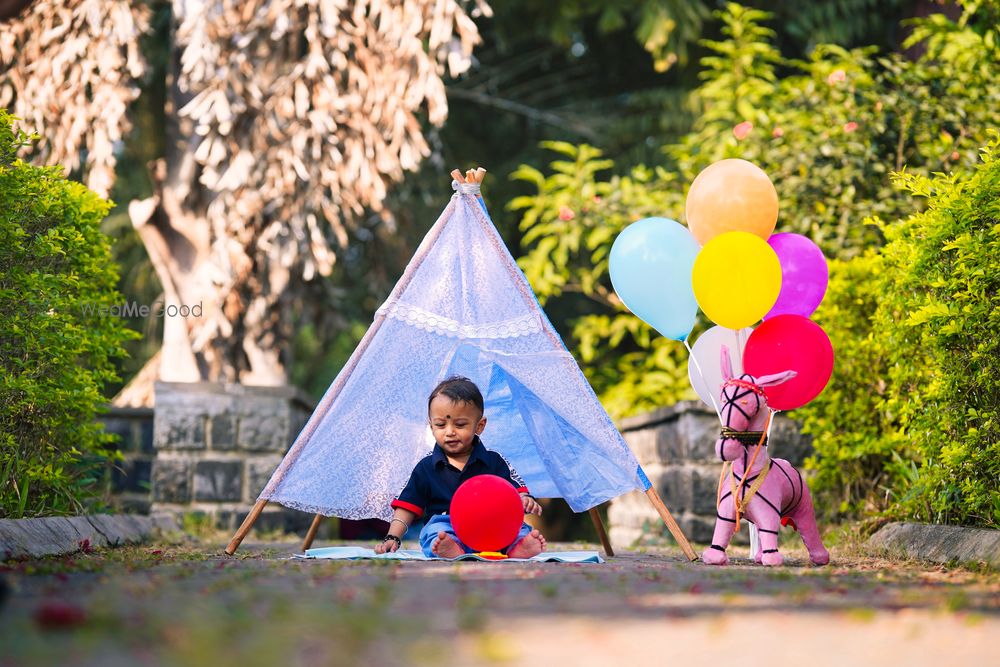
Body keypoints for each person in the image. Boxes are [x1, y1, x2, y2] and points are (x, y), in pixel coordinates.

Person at [375, 376, 547, 558]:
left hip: (492, 527)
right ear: (431, 426)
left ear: (479, 426)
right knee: (434, 532)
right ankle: (450, 549)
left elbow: (517, 492)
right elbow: (407, 506)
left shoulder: (494, 460)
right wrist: (392, 536)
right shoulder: (425, 467)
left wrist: (524, 499)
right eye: (441, 425)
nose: (450, 432)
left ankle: (518, 548)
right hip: (447, 523)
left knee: (520, 529)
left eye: (460, 424)